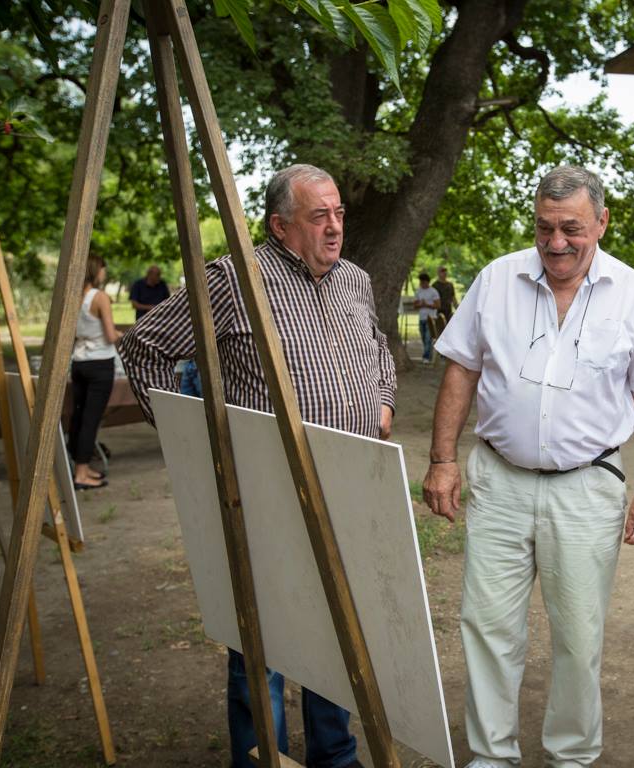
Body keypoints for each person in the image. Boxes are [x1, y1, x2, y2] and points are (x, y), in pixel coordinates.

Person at [119, 164, 394, 768]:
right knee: (261, 641)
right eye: (318, 216)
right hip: (264, 497)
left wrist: (382, 400)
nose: (334, 227)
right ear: (280, 225)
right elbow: (144, 348)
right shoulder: (232, 280)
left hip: (346, 489)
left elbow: (378, 347)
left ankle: (334, 756)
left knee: (338, 629)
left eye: (339, 213)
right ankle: (261, 759)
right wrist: (196, 446)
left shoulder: (355, 280)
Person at [423, 166, 634, 768]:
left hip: (586, 487)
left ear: (602, 222)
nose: (556, 242)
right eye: (545, 227)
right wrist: (441, 460)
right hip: (500, 481)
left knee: (578, 636)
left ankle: (571, 757)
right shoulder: (496, 279)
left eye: (572, 228)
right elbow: (461, 369)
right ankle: (492, 757)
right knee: (487, 626)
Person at [70, 254, 121, 490]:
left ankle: (81, 466)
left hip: (79, 361)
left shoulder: (73, 296)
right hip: (100, 363)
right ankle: (81, 473)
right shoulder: (99, 297)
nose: (104, 272)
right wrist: (124, 335)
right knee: (91, 419)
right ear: (94, 270)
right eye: (102, 268)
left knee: (79, 416)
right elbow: (110, 335)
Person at [413, 272, 440, 363]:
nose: (422, 284)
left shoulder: (433, 291)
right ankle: (429, 354)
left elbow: (438, 305)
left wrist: (427, 304)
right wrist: (421, 304)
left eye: (423, 282)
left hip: (431, 318)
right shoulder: (418, 291)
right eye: (421, 282)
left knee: (428, 338)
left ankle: (426, 357)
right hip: (422, 317)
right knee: (424, 338)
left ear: (427, 282)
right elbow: (415, 305)